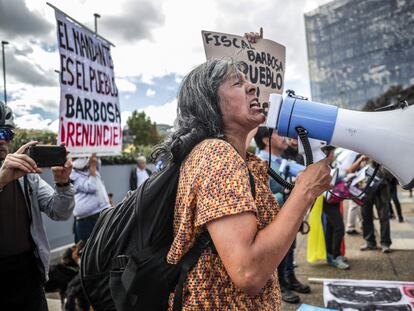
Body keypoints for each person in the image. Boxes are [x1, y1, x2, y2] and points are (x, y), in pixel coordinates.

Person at [151, 58, 332, 310]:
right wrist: (306, 190)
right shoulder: (217, 156)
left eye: (249, 81)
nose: (253, 87)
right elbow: (249, 272)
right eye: (238, 83)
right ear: (210, 104)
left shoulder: (241, 160)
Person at [0, 101, 75, 311]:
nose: (2, 140)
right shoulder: (10, 171)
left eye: (6, 133)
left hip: (27, 273)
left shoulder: (25, 175)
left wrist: (62, 183)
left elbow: (59, 212)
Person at [254, 127, 310, 304]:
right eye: (277, 134)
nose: (284, 138)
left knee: (289, 248)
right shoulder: (260, 162)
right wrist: (286, 192)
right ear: (265, 139)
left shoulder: (280, 161)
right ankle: (280, 284)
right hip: (273, 220)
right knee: (278, 253)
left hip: (286, 215)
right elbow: (261, 198)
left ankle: (289, 278)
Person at [70, 154, 110, 243]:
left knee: (104, 244)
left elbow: (96, 161)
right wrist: (92, 170)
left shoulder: (90, 168)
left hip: (100, 213)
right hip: (85, 219)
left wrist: (93, 154)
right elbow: (91, 187)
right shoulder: (72, 175)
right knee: (86, 248)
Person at [322, 147, 350, 269]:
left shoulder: (328, 165)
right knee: (339, 227)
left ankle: (331, 255)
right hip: (327, 200)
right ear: (328, 153)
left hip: (331, 200)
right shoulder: (322, 166)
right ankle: (335, 256)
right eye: (332, 152)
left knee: (331, 227)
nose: (333, 154)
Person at [360, 164, 393, 253]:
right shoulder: (361, 155)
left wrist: (381, 167)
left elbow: (390, 175)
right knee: (366, 217)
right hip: (366, 190)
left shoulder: (384, 156)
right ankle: (369, 242)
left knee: (384, 218)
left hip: (382, 190)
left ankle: (385, 243)